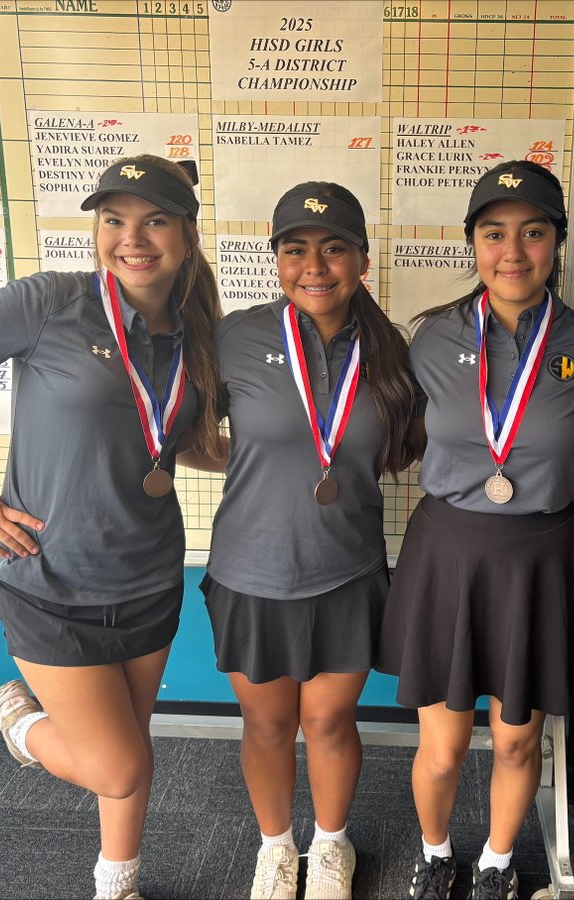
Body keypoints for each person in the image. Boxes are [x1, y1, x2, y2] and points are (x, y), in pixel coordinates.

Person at [0, 154, 222, 900]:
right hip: (47, 575)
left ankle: (117, 884)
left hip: (148, 574)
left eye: (155, 220)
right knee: (121, 765)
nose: (132, 238)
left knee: (129, 748)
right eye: (113, 220)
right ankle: (21, 724)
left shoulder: (197, 334)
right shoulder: (51, 303)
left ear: (188, 235)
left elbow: (180, 442)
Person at [377, 160, 574, 900]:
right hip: (447, 554)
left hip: (543, 558)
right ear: (474, 243)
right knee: (445, 742)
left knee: (519, 736)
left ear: (556, 243)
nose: (512, 251)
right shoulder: (429, 340)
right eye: (495, 234)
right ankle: (433, 852)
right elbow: (385, 439)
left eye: (533, 233)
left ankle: (495, 860)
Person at [200, 182, 416, 900]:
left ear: (360, 258)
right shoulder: (236, 337)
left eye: (333, 248)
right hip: (248, 569)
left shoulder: (391, 352)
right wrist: (255, 463)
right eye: (295, 249)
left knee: (327, 720)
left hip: (346, 570)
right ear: (277, 259)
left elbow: (410, 449)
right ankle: (274, 845)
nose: (314, 265)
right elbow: (192, 432)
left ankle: (329, 844)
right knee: (266, 724)